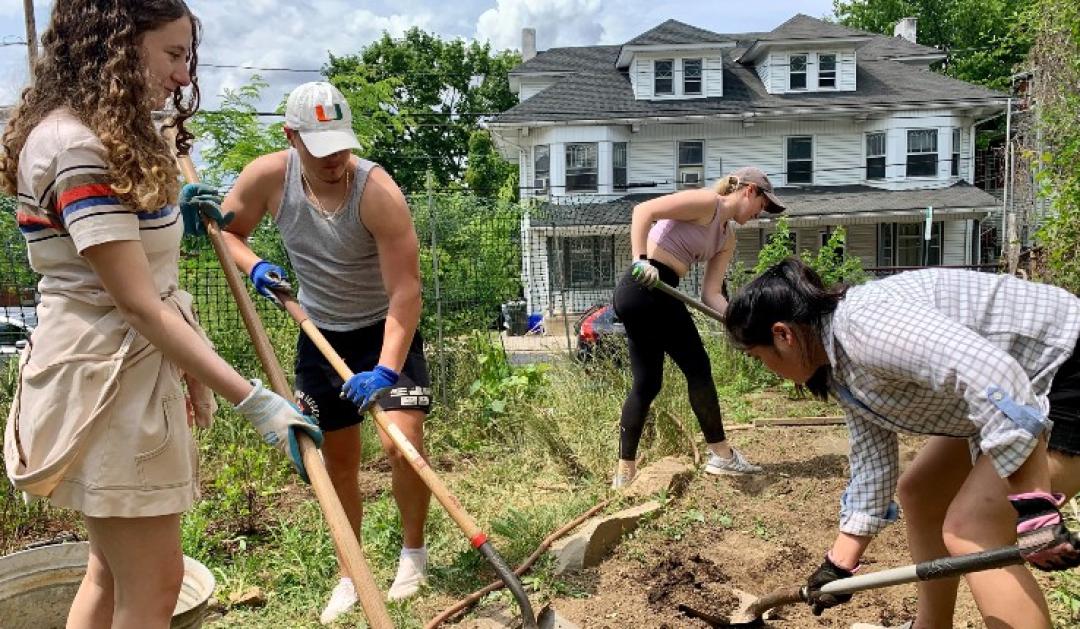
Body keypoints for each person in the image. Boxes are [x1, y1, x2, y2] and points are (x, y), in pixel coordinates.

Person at [0, 3, 321, 628]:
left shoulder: (101, 136)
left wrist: (172, 206)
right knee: (154, 584)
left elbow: (151, 278)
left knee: (110, 570)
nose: (182, 75)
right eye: (172, 55)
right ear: (118, 46)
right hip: (107, 381)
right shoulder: (76, 149)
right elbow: (139, 303)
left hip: (114, 370)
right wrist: (255, 402)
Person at [724, 258, 1080, 628]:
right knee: (922, 491)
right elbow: (872, 464)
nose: (764, 367)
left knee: (974, 529)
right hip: (1003, 393)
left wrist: (1035, 506)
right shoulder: (841, 368)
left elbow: (995, 374)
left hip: (1060, 366)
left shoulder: (865, 328)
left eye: (757, 357)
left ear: (783, 335)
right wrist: (839, 564)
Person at [217, 81, 432, 622]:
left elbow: (407, 291)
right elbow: (228, 231)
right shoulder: (268, 177)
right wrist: (254, 266)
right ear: (291, 137)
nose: (335, 158)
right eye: (320, 147)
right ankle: (350, 571)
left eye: (341, 143)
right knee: (337, 463)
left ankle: (413, 554)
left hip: (387, 332)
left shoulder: (378, 191)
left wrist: (386, 368)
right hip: (320, 333)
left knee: (402, 445)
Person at [612, 167, 786, 487]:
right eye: (763, 204)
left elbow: (712, 294)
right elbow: (643, 210)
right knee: (698, 368)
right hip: (645, 285)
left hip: (660, 293)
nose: (762, 212)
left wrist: (740, 323)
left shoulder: (727, 237)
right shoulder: (707, 203)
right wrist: (640, 259)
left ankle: (625, 472)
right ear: (749, 191)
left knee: (648, 383)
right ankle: (721, 456)